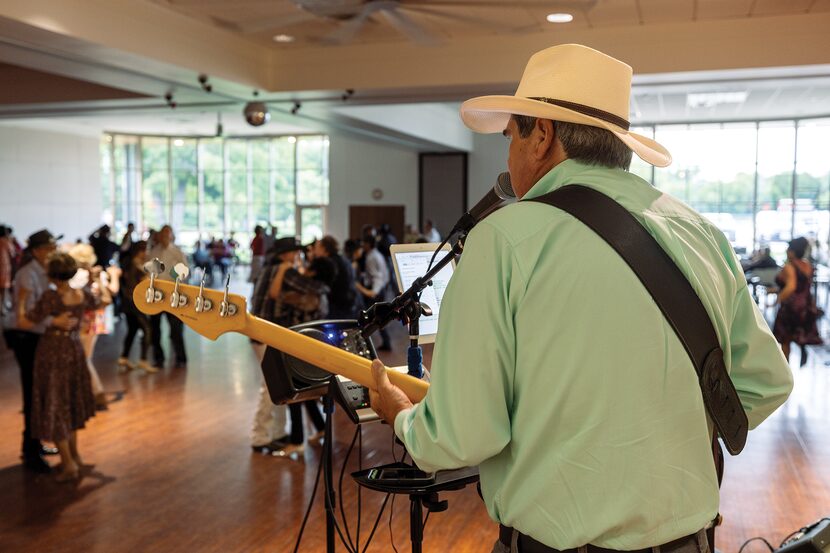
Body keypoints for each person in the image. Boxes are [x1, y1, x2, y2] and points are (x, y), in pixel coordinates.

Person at [369, 44, 793, 553]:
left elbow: (463, 435)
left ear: (542, 136)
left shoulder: (503, 239)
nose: (509, 155)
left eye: (510, 137)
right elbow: (764, 384)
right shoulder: (698, 231)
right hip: (690, 540)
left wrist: (402, 417)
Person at [20, 252, 107, 482]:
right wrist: (96, 280)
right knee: (70, 400)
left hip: (52, 351)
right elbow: (102, 301)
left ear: (51, 274)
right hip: (74, 348)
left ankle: (68, 464)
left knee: (56, 403)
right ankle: (75, 456)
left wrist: (20, 302)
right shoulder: (81, 293)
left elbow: (27, 320)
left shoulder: (51, 296)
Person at [2, 229, 69, 473]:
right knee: (33, 392)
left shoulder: (44, 273)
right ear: (38, 251)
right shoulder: (27, 275)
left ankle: (36, 442)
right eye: (50, 248)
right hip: (25, 337)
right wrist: (54, 322)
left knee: (39, 391)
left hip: (36, 335)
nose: (54, 252)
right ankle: (30, 451)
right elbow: (25, 317)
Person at [773, 237, 823, 365]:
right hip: (805, 305)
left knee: (785, 339)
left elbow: (791, 287)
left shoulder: (789, 267)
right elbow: (802, 286)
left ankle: (785, 370)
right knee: (797, 331)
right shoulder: (807, 265)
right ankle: (802, 347)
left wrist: (777, 300)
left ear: (792, 252)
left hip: (791, 306)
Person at [147, 224, 188, 369]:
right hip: (157, 295)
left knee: (176, 328)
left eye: (167, 234)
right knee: (155, 328)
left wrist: (171, 279)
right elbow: (150, 271)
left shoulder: (177, 252)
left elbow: (184, 270)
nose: (164, 237)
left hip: (172, 294)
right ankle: (159, 358)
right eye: (162, 234)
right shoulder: (154, 251)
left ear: (171, 235)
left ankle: (181, 358)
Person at [119, 241, 156, 374]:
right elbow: (146, 282)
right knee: (147, 329)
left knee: (132, 330)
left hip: (127, 301)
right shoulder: (138, 265)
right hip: (135, 303)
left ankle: (124, 357)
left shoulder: (130, 264)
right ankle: (143, 360)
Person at [355, 226, 392, 350]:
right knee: (379, 318)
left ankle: (363, 344)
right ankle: (385, 342)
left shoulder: (371, 257)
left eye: (364, 243)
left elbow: (377, 277)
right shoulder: (375, 255)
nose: (362, 245)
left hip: (377, 291)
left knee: (372, 318)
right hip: (380, 289)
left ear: (368, 244)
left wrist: (372, 291)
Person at [314, 236, 362, 319]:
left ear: (324, 248)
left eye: (316, 248)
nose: (314, 251)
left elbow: (319, 286)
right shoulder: (341, 258)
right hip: (351, 302)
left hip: (339, 305)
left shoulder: (328, 263)